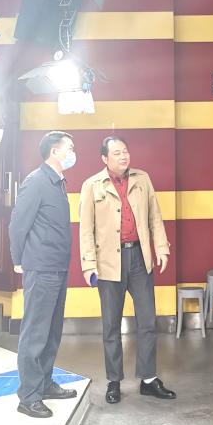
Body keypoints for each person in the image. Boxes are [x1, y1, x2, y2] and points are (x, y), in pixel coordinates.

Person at [79, 135, 176, 404]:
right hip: (108, 261)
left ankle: (148, 379)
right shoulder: (91, 185)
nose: (124, 156)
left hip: (139, 258)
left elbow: (154, 216)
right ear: (104, 158)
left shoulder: (142, 180)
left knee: (147, 320)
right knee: (111, 325)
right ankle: (114, 381)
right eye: (117, 153)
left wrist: (161, 248)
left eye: (125, 151)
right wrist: (88, 264)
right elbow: (85, 229)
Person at [9, 131, 79, 419]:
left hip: (57, 266)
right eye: (69, 148)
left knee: (51, 330)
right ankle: (28, 396)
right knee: (35, 332)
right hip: (41, 267)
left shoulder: (58, 182)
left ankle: (44, 383)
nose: (73, 153)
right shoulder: (36, 181)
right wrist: (18, 260)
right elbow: (18, 224)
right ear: (54, 151)